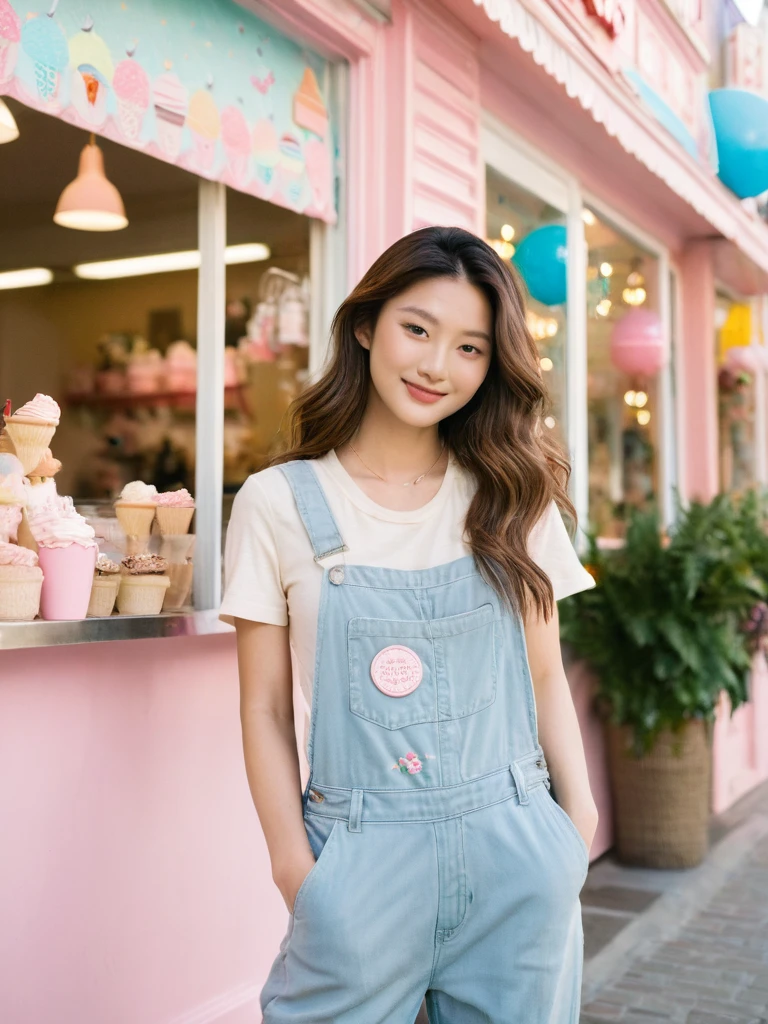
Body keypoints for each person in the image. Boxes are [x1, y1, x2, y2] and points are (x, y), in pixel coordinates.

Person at [220, 225, 599, 1023]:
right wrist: (296, 868)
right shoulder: (278, 503)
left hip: (516, 849)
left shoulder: (510, 494)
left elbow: (541, 676)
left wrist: (577, 828)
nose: (436, 366)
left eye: (469, 348)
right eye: (417, 330)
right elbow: (262, 707)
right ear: (366, 326)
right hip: (357, 865)